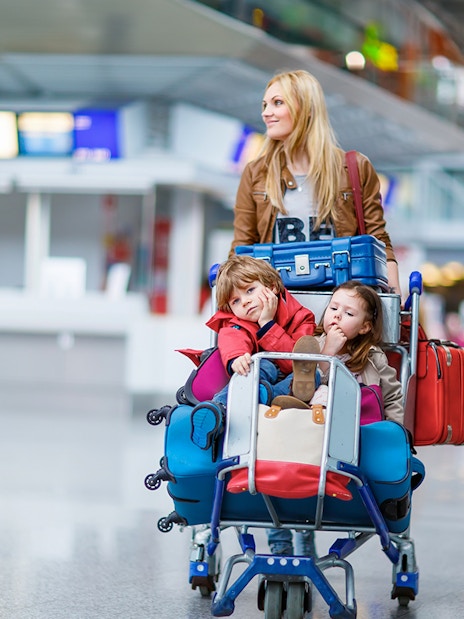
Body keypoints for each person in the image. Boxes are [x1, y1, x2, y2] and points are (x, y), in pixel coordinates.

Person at [229, 69, 402, 297]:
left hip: (341, 306)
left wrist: (394, 292)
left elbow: (378, 240)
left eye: (277, 103)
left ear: (306, 108)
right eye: (264, 105)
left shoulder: (354, 167)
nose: (266, 113)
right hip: (279, 307)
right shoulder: (255, 173)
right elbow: (241, 248)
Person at [190, 254, 319, 558]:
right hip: (256, 402)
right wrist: (235, 360)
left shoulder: (302, 318)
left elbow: (295, 358)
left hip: (294, 397)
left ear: (273, 287)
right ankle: (216, 414)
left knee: (284, 370)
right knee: (257, 376)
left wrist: (267, 326)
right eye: (235, 301)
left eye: (250, 291)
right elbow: (231, 342)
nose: (244, 303)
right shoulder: (235, 325)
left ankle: (272, 395)